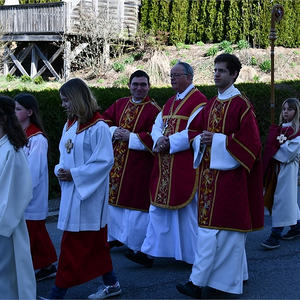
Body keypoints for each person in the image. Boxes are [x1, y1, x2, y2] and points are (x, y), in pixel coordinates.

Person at [177, 54, 264, 298]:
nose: (216, 74)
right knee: (222, 232)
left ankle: (197, 283)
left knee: (221, 232)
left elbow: (252, 144)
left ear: (234, 74)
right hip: (209, 178)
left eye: (222, 71)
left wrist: (215, 140)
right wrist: (200, 140)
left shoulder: (241, 105)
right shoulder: (212, 103)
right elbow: (195, 132)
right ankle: (238, 276)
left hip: (230, 179)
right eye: (215, 70)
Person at [45, 78, 120, 299]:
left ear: (77, 99)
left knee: (72, 246)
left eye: (66, 100)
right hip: (72, 193)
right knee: (96, 245)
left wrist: (75, 175)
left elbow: (105, 161)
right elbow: (63, 156)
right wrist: (60, 169)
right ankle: (112, 283)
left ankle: (57, 293)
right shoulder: (70, 126)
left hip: (89, 196)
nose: (63, 105)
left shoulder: (99, 127)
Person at [137, 62, 207, 265]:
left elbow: (195, 130)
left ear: (189, 76)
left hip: (184, 163)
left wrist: (170, 142)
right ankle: (148, 251)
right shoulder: (169, 102)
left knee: (187, 214)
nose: (172, 78)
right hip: (165, 162)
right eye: (171, 75)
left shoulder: (199, 101)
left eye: (176, 75)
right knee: (158, 208)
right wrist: (159, 139)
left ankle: (193, 257)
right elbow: (157, 125)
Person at [102, 70, 161, 266]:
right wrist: (113, 130)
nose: (139, 88)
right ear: (129, 85)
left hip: (139, 165)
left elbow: (155, 136)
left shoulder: (154, 110)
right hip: (117, 163)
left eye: (143, 84)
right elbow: (105, 121)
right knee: (113, 204)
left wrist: (132, 137)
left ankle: (138, 246)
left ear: (149, 87)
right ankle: (113, 238)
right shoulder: (120, 103)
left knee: (136, 209)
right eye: (135, 84)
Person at [14, 93, 57, 281]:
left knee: (31, 232)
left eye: (18, 109)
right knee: (36, 233)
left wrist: (20, 192)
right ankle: (47, 265)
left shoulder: (37, 139)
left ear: (30, 112)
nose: (13, 113)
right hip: (19, 192)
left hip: (30, 194)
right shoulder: (17, 135)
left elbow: (34, 171)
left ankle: (25, 272)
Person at [0, 95, 36, 299]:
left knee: (7, 282)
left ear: (3, 118)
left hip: (5, 228)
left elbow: (17, 194)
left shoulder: (12, 151)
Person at [261, 98, 300, 249]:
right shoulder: (280, 128)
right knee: (287, 200)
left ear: (296, 112)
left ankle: (275, 235)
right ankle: (296, 227)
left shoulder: (296, 131)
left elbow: (289, 153)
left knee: (282, 200)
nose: (285, 112)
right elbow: (273, 146)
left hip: (288, 168)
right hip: (276, 168)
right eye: (284, 109)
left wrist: (273, 149)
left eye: (289, 109)